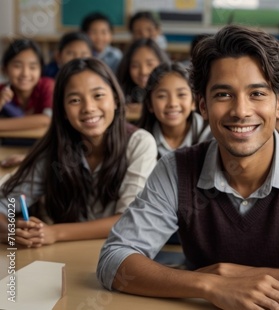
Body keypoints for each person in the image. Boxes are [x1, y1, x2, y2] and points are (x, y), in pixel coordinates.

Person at [97, 24, 279, 309]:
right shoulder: (176, 168)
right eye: (223, 95)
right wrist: (210, 284)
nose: (241, 111)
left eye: (257, 94)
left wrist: (239, 275)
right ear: (203, 106)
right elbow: (114, 260)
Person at [0, 58, 157, 247]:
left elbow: (129, 218)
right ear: (64, 110)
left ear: (115, 99)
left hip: (119, 254)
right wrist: (12, 230)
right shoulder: (55, 148)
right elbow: (6, 204)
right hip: (64, 254)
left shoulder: (140, 143)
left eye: (98, 95)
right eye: (75, 100)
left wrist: (55, 233)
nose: (88, 108)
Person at [139, 62, 211, 157]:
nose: (172, 103)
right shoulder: (141, 140)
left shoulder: (209, 134)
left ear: (193, 102)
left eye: (181, 94)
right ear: (150, 105)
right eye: (162, 96)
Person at [0, 39, 54, 130]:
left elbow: (46, 119)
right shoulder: (2, 91)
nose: (25, 74)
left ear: (41, 69)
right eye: (17, 66)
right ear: (5, 69)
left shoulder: (48, 86)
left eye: (32, 67)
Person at [117, 38, 169, 114]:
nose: (143, 71)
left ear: (162, 63)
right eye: (135, 66)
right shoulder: (121, 96)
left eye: (150, 64)